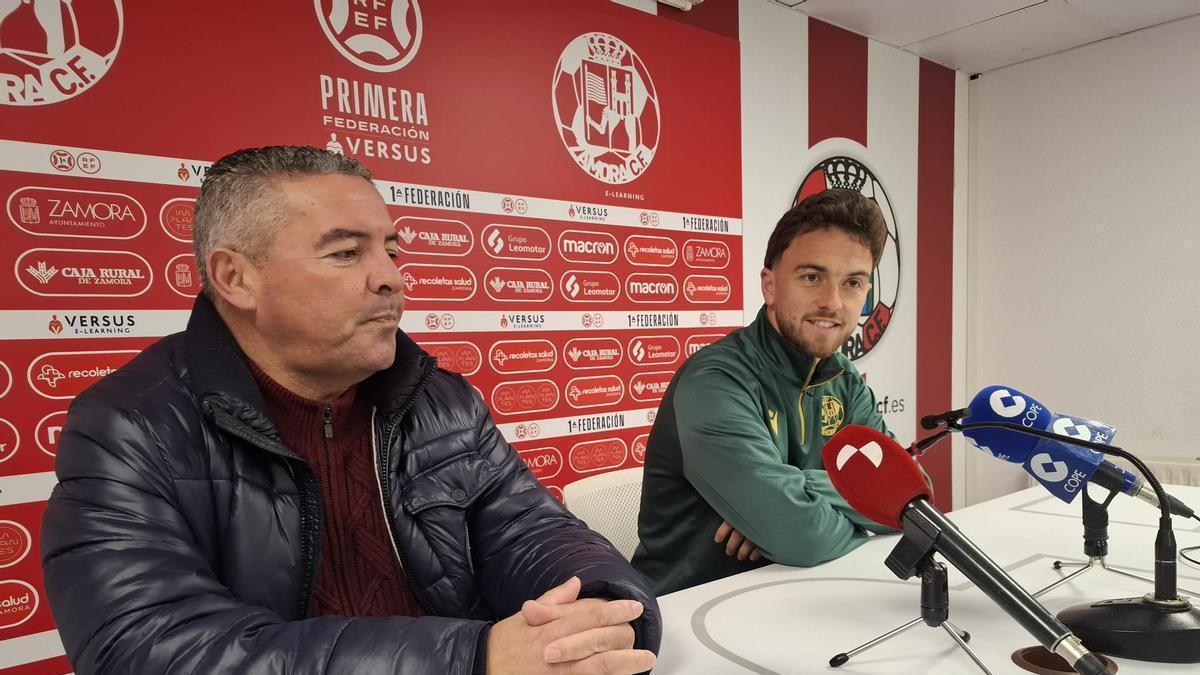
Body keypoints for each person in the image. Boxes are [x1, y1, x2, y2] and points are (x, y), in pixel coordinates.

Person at [41, 146, 660, 675]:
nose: (391, 277)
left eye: (391, 250)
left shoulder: (441, 400)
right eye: (346, 254)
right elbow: (150, 649)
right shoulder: (131, 426)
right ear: (235, 278)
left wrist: (601, 611)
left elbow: (535, 534)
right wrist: (470, 659)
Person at [632, 188, 898, 595]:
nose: (833, 302)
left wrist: (789, 493)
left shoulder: (844, 381)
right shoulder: (716, 380)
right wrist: (819, 514)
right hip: (690, 616)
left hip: (797, 599)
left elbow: (908, 501)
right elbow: (802, 536)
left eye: (853, 283)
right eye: (812, 277)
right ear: (770, 286)